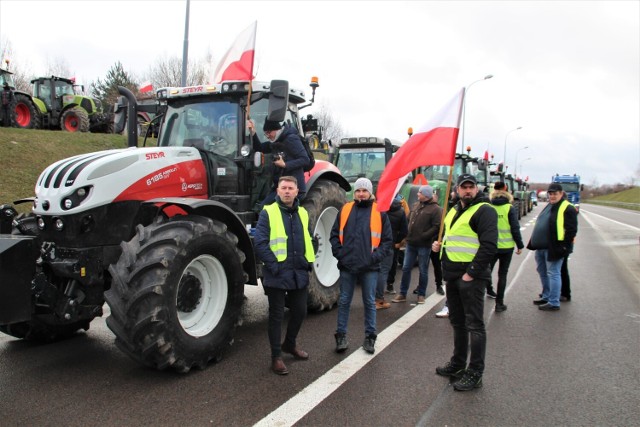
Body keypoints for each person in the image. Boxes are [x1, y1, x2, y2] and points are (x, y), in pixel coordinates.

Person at [433, 174, 497, 391]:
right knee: (458, 322)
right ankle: (459, 363)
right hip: (452, 276)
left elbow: (489, 246)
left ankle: (475, 372)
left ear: (476, 189)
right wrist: (438, 246)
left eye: (471, 187)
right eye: (463, 187)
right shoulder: (454, 210)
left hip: (471, 278)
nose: (467, 191)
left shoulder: (484, 210)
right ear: (457, 190)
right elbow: (452, 238)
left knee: (475, 325)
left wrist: (471, 273)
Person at [253, 176, 315, 375]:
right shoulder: (268, 212)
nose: (287, 191)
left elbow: (310, 238)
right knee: (276, 316)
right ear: (278, 191)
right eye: (284, 188)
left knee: (300, 311)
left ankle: (290, 344)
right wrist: (274, 265)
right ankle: (276, 356)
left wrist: (309, 261)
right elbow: (260, 242)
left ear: (297, 191)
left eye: (291, 188)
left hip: (299, 271)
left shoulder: (303, 213)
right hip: (277, 273)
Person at [330, 177, 393, 354]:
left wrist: (373, 258)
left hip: (369, 267)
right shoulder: (345, 209)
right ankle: (341, 335)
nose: (361, 193)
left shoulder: (379, 212)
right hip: (347, 265)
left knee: (369, 302)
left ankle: (370, 337)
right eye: (358, 190)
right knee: (344, 302)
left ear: (370, 192)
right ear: (354, 192)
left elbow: (387, 242)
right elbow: (334, 235)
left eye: (364, 190)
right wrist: (340, 255)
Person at [527, 183, 578, 311]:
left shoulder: (568, 208)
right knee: (543, 272)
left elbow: (571, 230)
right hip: (541, 247)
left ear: (561, 193)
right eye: (550, 193)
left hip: (555, 247)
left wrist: (564, 248)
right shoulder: (550, 205)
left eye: (555, 193)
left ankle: (554, 301)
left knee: (553, 273)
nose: (552, 196)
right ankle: (546, 296)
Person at [392, 185, 442, 304]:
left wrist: (424, 236)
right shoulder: (416, 205)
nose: (418, 194)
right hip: (411, 243)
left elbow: (437, 227)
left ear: (426, 195)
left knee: (423, 270)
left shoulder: (436, 209)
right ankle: (402, 293)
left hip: (424, 245)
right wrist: (404, 235)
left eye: (420, 192)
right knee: (406, 268)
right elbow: (408, 220)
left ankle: (421, 294)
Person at [248, 119, 310, 207]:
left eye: (269, 132)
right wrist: (252, 132)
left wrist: (285, 165)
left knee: (269, 210)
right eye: (266, 133)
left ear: (277, 130)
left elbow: (305, 159)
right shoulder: (275, 142)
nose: (268, 136)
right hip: (280, 186)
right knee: (264, 208)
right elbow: (260, 148)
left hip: (293, 187)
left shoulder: (291, 139)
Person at [487, 182, 524, 312]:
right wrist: (519, 245)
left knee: (487, 271)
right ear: (506, 190)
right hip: (506, 248)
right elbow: (515, 228)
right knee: (502, 275)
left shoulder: (489, 206)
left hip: (490, 246)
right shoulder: (509, 208)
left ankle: (488, 290)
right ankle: (499, 303)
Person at [380, 194, 408, 299]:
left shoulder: (381, 210)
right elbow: (404, 230)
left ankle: (377, 290)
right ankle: (390, 285)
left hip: (380, 241)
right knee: (392, 264)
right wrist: (398, 241)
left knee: (380, 266)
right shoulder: (401, 211)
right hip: (393, 243)